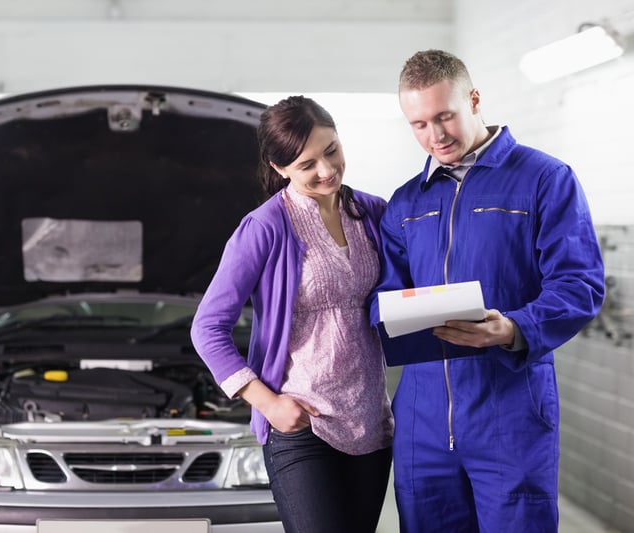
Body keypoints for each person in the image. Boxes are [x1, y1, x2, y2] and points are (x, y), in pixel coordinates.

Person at [370, 49, 605, 532]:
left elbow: (579, 283)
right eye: (418, 124)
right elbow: (384, 294)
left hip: (510, 412)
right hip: (423, 418)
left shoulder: (544, 179)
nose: (434, 136)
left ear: (474, 100)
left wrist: (515, 326)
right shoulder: (406, 202)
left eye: (444, 116)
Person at [191, 95, 394, 533]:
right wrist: (267, 403)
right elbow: (208, 327)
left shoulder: (372, 213)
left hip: (370, 424)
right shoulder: (265, 227)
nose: (327, 170)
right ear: (280, 167)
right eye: (307, 164)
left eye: (332, 150)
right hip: (300, 424)